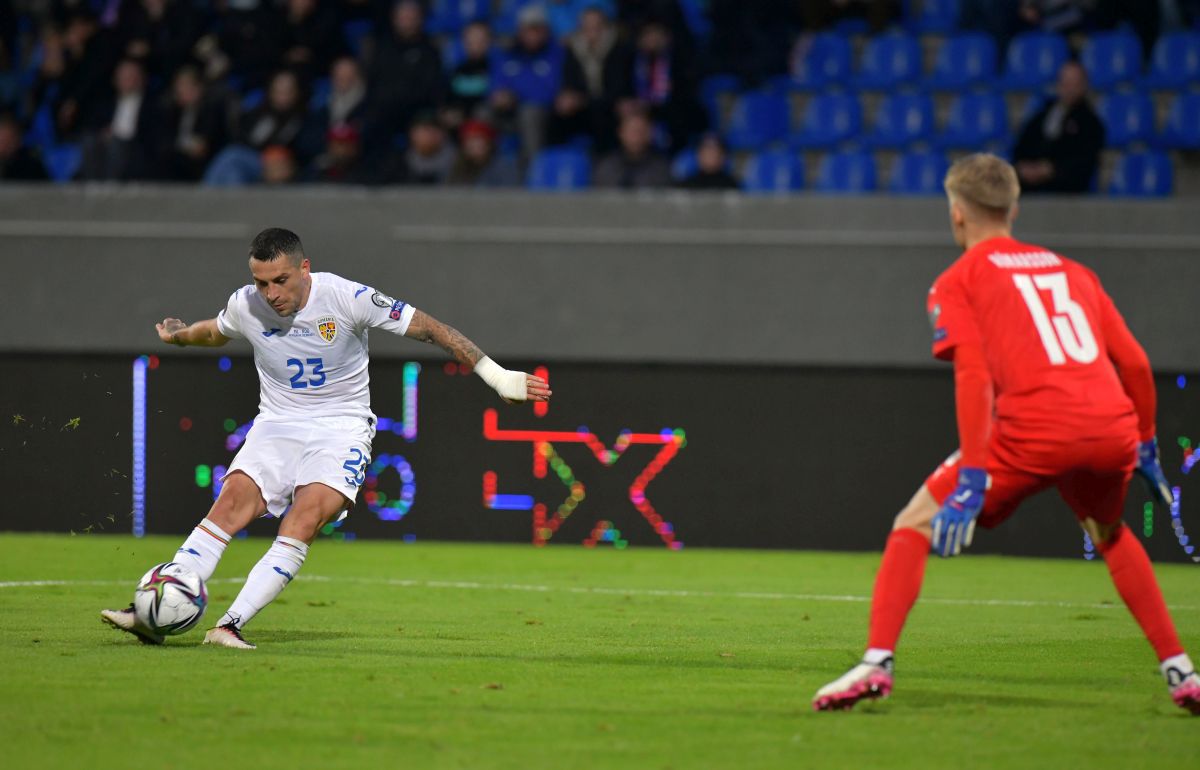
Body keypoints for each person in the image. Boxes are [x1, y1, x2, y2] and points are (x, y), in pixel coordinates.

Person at [811, 153, 1200, 715]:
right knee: (1110, 533)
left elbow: (973, 378)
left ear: (957, 215)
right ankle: (1182, 673)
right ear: (1014, 208)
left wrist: (973, 475)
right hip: (1111, 426)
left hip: (1034, 431)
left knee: (913, 521)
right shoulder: (1075, 272)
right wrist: (1144, 440)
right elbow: (1136, 364)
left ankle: (877, 663)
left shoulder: (958, 279)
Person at [101, 227, 551, 649]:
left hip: (342, 427)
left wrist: (496, 376)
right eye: (261, 283)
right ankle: (152, 609)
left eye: (280, 280)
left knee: (305, 516)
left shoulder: (347, 297)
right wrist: (180, 337)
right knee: (230, 503)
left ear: (304, 268)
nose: (271, 294)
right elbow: (216, 332)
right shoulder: (247, 304)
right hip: (277, 424)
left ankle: (228, 625)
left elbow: (431, 329)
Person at [1012, 60, 1104, 194]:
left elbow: (1084, 163)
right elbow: (1022, 145)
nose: (1069, 87)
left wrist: (1051, 170)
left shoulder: (1091, 124)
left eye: (1074, 83)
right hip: (1030, 189)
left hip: (1067, 194)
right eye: (1065, 82)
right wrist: (1025, 168)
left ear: (1084, 85)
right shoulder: (1041, 116)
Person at [550, 5, 632, 154]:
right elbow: (570, 82)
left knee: (601, 114)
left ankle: (604, 161)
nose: (592, 31)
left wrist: (586, 99)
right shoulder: (573, 50)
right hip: (582, 105)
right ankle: (559, 165)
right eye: (587, 26)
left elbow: (620, 86)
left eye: (597, 26)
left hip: (610, 105)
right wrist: (568, 97)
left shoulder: (620, 50)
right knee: (556, 113)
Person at [593, 109, 670, 189]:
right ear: (621, 133)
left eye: (641, 131)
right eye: (632, 131)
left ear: (649, 134)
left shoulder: (661, 170)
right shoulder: (606, 167)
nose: (636, 137)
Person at [447, 119, 521, 188]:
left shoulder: (504, 167)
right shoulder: (457, 167)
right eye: (469, 140)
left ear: (489, 143)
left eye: (478, 139)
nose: (473, 145)